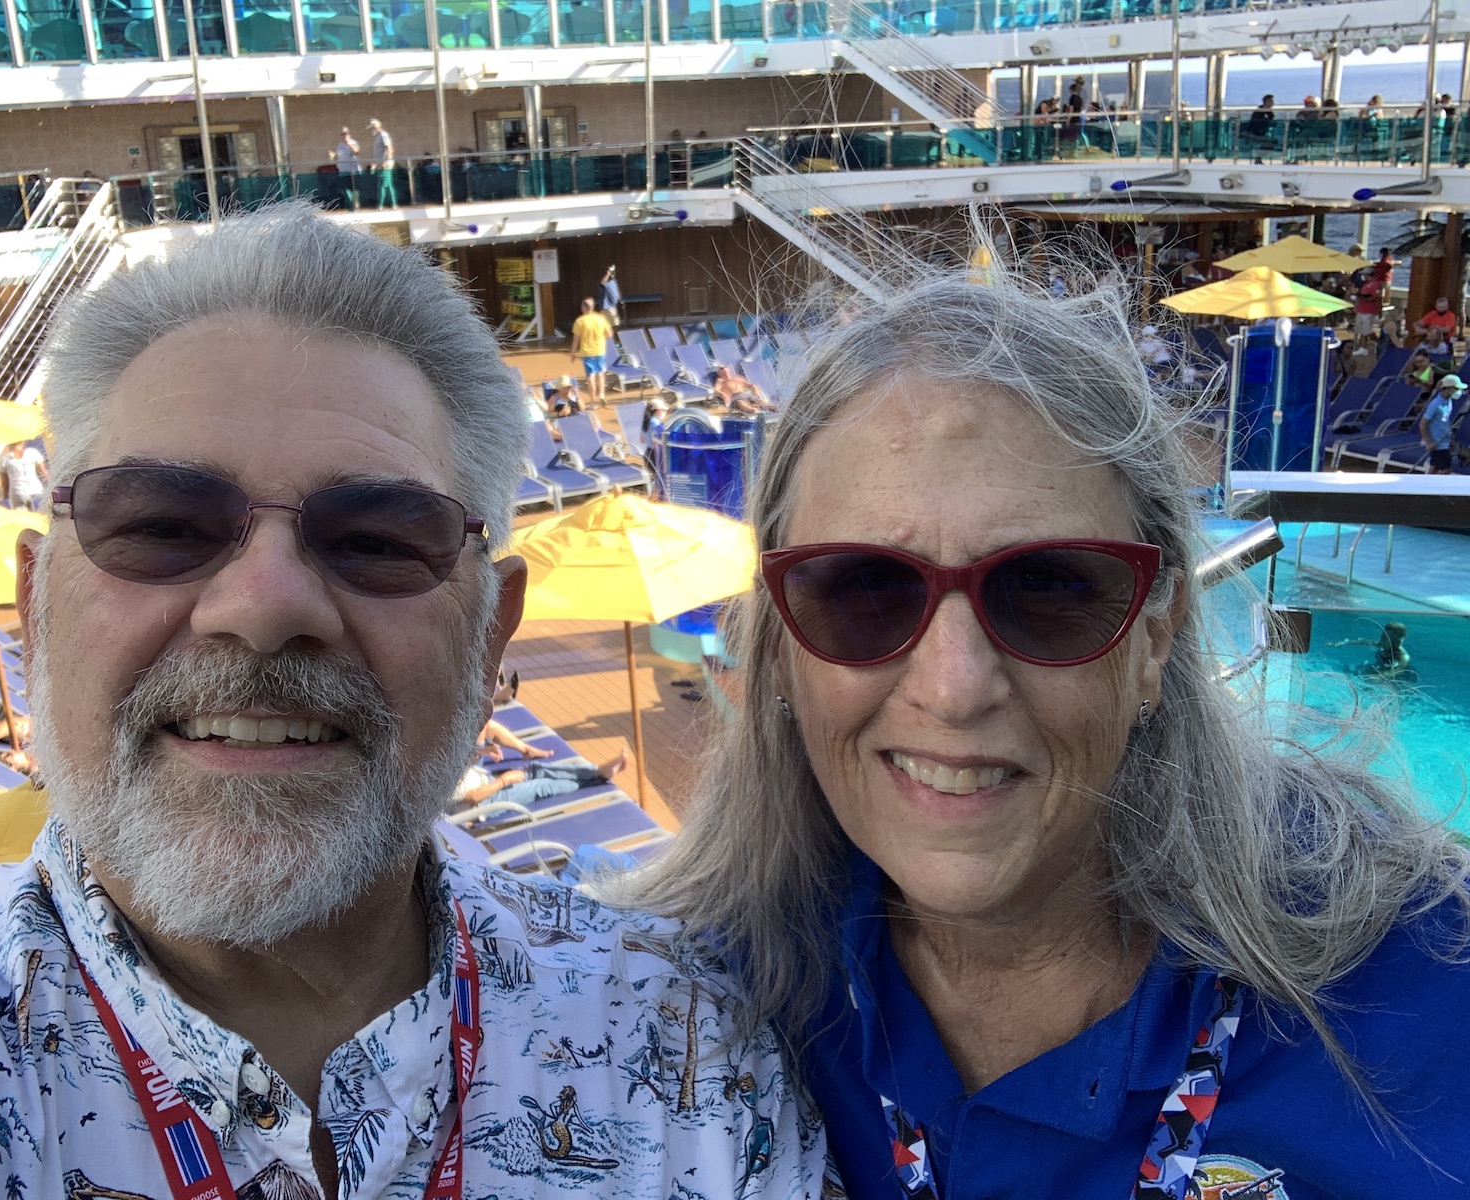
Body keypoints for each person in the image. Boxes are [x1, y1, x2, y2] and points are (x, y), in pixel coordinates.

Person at [0, 207, 824, 1198]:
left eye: (374, 540)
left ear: (490, 641)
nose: (263, 606)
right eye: (161, 526)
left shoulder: (691, 1045)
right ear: (36, 609)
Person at [620, 267, 1470, 1197]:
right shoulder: (686, 1004)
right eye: (865, 588)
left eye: (1049, 587)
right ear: (780, 648)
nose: (954, 689)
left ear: (1155, 638)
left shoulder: (1430, 994)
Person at [456, 745, 631, 808]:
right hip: (486, 801)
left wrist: (482, 751)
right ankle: (597, 777)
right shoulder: (442, 785)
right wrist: (504, 780)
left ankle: (599, 771)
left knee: (536, 770)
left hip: (488, 781)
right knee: (543, 785)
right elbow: (474, 796)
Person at [569, 296, 613, 409]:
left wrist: (573, 353)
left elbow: (576, 339)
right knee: (600, 373)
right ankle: (602, 395)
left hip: (587, 353)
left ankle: (593, 401)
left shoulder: (580, 321)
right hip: (600, 350)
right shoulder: (600, 318)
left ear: (583, 308)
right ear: (592, 307)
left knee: (590, 376)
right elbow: (609, 334)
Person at [1331, 622, 1415, 680]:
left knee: (1372, 679)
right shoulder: (1385, 644)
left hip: (1397, 677)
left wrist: (1378, 677)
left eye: (1385, 637)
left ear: (1396, 641)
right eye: (1383, 635)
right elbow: (1363, 642)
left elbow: (1395, 672)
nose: (1381, 639)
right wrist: (1341, 643)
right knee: (1362, 669)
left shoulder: (1403, 657)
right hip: (1383, 668)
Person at [1418, 372, 1463, 473]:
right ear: (1448, 388)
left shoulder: (1449, 402)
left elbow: (1444, 422)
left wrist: (1450, 440)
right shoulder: (1435, 404)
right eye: (1456, 388)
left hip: (1444, 442)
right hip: (1437, 443)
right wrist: (1429, 442)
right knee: (1446, 470)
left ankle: (1427, 482)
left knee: (1434, 467)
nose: (1458, 391)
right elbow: (1423, 424)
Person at [0, 438, 48, 509]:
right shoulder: (32, 452)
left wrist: (6, 500)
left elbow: (5, 484)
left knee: (23, 516)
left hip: (17, 495)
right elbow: (44, 474)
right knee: (41, 514)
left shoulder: (4, 459)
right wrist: (51, 489)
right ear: (23, 441)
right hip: (36, 490)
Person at [368, 117, 398, 208]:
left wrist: (386, 161)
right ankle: (392, 204)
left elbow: (389, 148)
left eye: (372, 128)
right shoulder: (378, 136)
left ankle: (382, 204)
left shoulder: (383, 135)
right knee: (385, 184)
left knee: (384, 185)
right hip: (380, 164)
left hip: (385, 164)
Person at [333, 125, 361, 209]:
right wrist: (334, 156)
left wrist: (349, 143)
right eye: (342, 134)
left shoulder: (353, 142)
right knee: (343, 189)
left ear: (349, 134)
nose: (344, 135)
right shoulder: (340, 145)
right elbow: (339, 156)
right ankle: (351, 203)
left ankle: (355, 204)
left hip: (352, 170)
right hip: (343, 171)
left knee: (354, 189)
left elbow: (357, 152)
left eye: (345, 133)